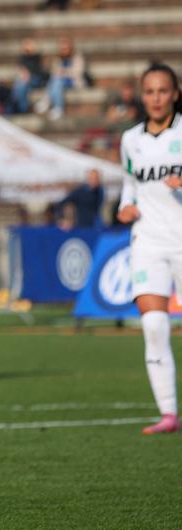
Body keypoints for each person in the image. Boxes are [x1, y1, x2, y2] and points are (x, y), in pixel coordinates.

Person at [115, 63, 182, 435]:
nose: (156, 98)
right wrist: (125, 206)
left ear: (175, 93)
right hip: (148, 241)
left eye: (163, 91)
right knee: (154, 324)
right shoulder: (131, 139)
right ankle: (169, 414)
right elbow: (129, 182)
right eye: (150, 91)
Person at [38, 37, 87, 120]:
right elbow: (54, 71)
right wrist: (59, 73)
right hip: (60, 82)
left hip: (74, 82)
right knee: (56, 80)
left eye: (66, 48)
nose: (64, 50)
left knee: (56, 80)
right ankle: (55, 107)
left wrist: (64, 72)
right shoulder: (58, 59)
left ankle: (50, 103)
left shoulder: (77, 57)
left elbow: (78, 72)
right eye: (63, 48)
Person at [10, 38, 49, 115]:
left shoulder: (36, 57)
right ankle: (21, 108)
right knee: (22, 86)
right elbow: (21, 71)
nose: (28, 47)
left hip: (36, 80)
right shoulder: (22, 58)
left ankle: (21, 109)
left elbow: (39, 71)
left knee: (21, 85)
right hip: (25, 81)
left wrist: (28, 75)